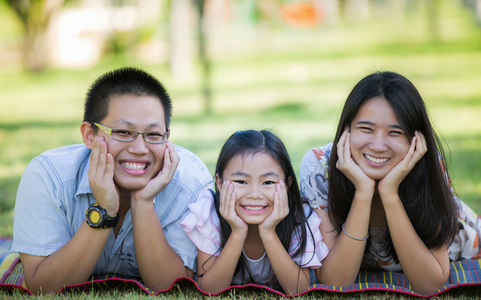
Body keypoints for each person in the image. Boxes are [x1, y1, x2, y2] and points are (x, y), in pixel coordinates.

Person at [11, 67, 213, 294]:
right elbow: (44, 287)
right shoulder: (49, 177)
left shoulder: (190, 183)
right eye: (123, 132)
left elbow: (174, 289)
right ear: (89, 135)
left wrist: (144, 202)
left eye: (154, 135)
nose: (139, 149)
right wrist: (104, 210)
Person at [299, 71, 481, 295]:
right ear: (346, 130)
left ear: (416, 139)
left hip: (463, 238)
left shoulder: (426, 164)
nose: (378, 145)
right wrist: (363, 193)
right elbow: (336, 281)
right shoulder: (319, 167)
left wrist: (389, 193)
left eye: (395, 132)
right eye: (366, 129)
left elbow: (429, 284)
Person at [181, 130, 329, 295]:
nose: (254, 194)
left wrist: (268, 232)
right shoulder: (211, 213)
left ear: (287, 184)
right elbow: (209, 290)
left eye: (268, 182)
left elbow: (297, 289)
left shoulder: (298, 217)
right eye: (241, 181)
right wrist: (237, 232)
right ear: (220, 183)